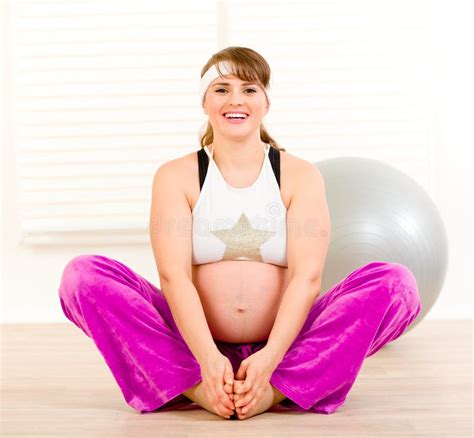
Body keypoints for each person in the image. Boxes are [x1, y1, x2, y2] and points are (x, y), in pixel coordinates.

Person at [58, 46, 422, 420]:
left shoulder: (299, 175)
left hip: (284, 345)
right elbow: (174, 276)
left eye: (249, 89)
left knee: (397, 285)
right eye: (221, 89)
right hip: (193, 344)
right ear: (204, 102)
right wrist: (208, 358)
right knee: (82, 276)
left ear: (266, 103)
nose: (236, 100)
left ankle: (275, 389)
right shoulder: (176, 176)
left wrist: (270, 357)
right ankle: (198, 387)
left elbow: (306, 278)